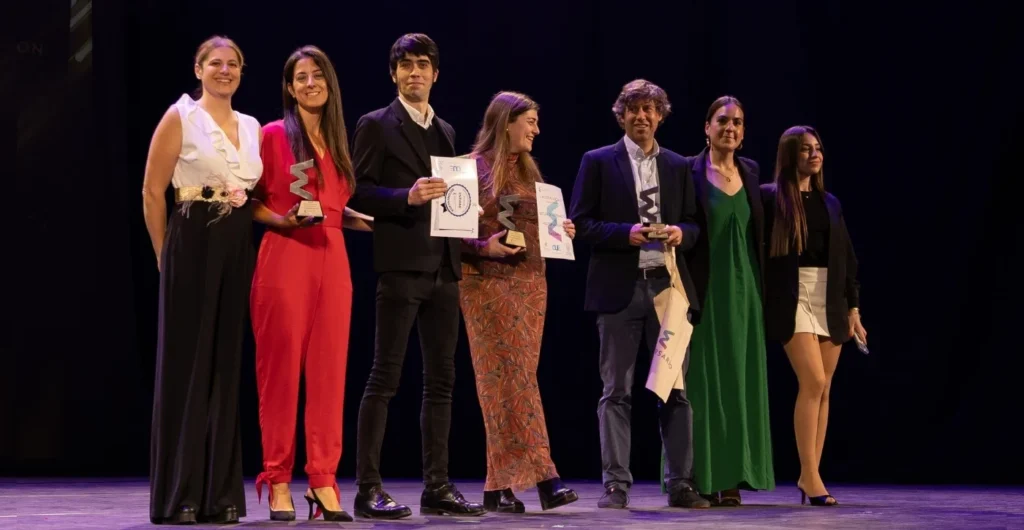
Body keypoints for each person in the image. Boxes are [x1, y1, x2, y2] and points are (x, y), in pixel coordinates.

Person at [347, 33, 485, 519]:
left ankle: (437, 486)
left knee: (441, 383)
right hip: (402, 267)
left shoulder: (445, 130)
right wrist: (404, 197)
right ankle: (368, 488)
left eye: (422, 65)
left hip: (445, 270)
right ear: (393, 74)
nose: (414, 73)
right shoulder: (375, 125)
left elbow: (452, 199)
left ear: (436, 73)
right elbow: (358, 192)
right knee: (384, 378)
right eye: (405, 66)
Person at [568, 79, 709, 510]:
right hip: (619, 291)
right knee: (616, 391)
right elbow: (580, 224)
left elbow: (694, 225)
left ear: (661, 115)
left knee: (675, 389)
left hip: (669, 291)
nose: (642, 117)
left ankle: (680, 483)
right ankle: (615, 485)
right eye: (634, 109)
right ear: (621, 115)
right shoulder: (597, 162)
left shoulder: (679, 165)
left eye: (650, 109)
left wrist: (678, 233)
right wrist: (622, 234)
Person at [141, 35, 261, 525]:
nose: (224, 70)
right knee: (188, 368)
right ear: (198, 68)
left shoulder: (251, 125)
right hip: (191, 240)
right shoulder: (181, 116)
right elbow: (152, 190)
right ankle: (181, 494)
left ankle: (221, 494)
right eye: (215, 63)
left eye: (233, 64)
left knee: (226, 365)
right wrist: (162, 255)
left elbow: (256, 195)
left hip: (236, 245)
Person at [250, 45, 370, 523]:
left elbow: (338, 210)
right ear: (289, 86)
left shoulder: (339, 143)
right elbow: (251, 202)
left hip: (334, 261)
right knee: (279, 375)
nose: (309, 83)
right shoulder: (273, 134)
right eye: (300, 77)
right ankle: (278, 479)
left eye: (317, 75)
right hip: (286, 257)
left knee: (328, 377)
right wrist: (281, 221)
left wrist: (385, 221)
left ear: (329, 83)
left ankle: (323, 480)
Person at [459, 91, 579, 513]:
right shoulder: (471, 169)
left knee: (507, 384)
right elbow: (449, 232)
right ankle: (547, 479)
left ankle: (496, 488)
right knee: (512, 382)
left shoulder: (530, 170)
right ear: (506, 122)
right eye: (530, 121)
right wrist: (482, 246)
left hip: (531, 284)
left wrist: (560, 229)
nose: (536, 130)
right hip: (486, 284)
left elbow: (540, 225)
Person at [667, 96, 775, 505]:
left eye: (738, 123)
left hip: (745, 291)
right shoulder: (688, 171)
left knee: (738, 380)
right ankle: (700, 476)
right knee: (701, 384)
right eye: (722, 121)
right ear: (707, 127)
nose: (730, 128)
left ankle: (732, 475)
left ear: (744, 133)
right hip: (704, 290)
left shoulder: (750, 172)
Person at [761, 125, 867, 506]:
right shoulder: (771, 198)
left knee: (824, 389)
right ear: (790, 155)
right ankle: (809, 474)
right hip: (792, 297)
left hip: (830, 297)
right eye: (805, 149)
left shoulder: (830, 202)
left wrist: (853, 308)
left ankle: (811, 474)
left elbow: (848, 260)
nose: (814, 154)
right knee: (813, 381)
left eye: (818, 148)